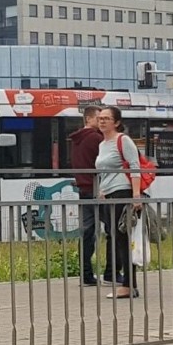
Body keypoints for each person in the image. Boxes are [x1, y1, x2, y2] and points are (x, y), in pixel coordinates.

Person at [95, 106, 143, 299]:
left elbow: (135, 166)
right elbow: (104, 170)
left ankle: (128, 285)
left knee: (122, 239)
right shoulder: (102, 144)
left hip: (122, 192)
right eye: (100, 118)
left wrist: (136, 195)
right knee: (115, 237)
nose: (102, 121)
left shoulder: (123, 140)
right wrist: (102, 189)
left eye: (106, 118)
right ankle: (128, 284)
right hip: (108, 195)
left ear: (116, 122)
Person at [68, 105, 104, 286]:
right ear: (89, 119)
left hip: (83, 190)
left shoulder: (76, 140)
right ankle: (113, 271)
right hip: (98, 190)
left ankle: (86, 274)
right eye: (99, 118)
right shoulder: (96, 139)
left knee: (87, 232)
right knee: (115, 229)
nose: (102, 122)